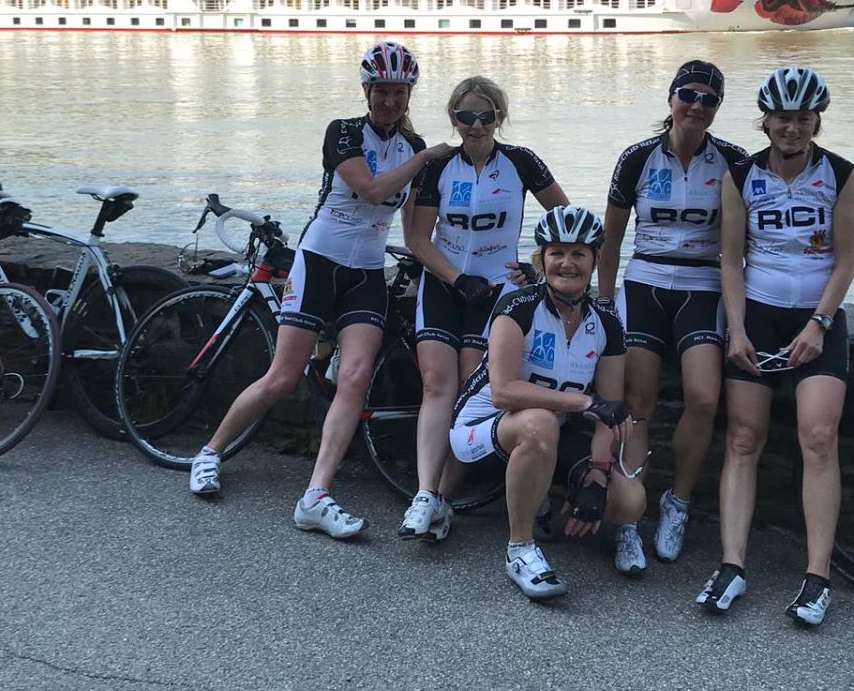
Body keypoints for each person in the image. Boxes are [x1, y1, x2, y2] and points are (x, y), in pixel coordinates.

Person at [188, 41, 455, 537]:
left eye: (399, 92)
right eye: (381, 91)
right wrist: (426, 158)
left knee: (354, 378)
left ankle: (315, 496)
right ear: (366, 91)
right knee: (283, 376)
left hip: (367, 271)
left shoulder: (410, 146)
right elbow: (370, 190)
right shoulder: (344, 131)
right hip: (319, 261)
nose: (390, 101)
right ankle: (210, 452)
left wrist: (433, 257)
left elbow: (412, 220)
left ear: (409, 95)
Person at [697, 67, 854, 627]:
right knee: (743, 439)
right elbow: (731, 260)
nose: (792, 128)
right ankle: (731, 566)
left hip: (818, 316)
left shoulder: (839, 173)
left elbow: (846, 260)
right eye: (783, 118)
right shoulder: (741, 175)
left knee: (819, 437)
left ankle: (817, 577)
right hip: (759, 316)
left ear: (817, 122)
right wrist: (737, 329)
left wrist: (818, 324)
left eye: (803, 119)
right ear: (765, 121)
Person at [398, 76, 569, 542]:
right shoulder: (438, 167)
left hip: (496, 289)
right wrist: (457, 278)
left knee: (472, 392)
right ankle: (424, 495)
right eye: (465, 116)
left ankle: (444, 498)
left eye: (485, 116)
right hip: (444, 284)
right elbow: (417, 239)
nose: (475, 125)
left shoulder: (521, 161)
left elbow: (564, 221)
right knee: (437, 384)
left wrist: (538, 268)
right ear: (453, 118)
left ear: (499, 117)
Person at [447, 206, 645, 600]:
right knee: (540, 423)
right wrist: (584, 401)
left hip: (549, 433)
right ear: (542, 259)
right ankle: (520, 549)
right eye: (557, 253)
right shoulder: (518, 306)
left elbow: (610, 408)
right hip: (482, 428)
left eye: (578, 254)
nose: (567, 264)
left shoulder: (605, 322)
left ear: (595, 260)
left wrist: (597, 475)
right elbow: (504, 392)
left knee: (630, 502)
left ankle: (542, 497)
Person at [598, 60, 748, 573]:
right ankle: (627, 516)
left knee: (704, 398)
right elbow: (611, 238)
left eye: (709, 100)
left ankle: (677, 502)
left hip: (702, 284)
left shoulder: (732, 160)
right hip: (645, 281)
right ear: (671, 98)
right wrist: (604, 304)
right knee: (638, 403)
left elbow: (744, 244)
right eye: (689, 95)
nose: (697, 106)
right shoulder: (637, 157)